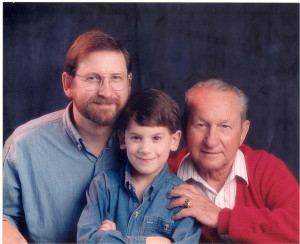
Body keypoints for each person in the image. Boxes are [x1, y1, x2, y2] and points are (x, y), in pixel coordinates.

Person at [3, 30, 132, 243]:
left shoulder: (148, 143)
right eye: (93, 78)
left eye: (116, 78)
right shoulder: (24, 145)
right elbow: (4, 214)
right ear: (67, 84)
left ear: (128, 82)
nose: (106, 92)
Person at [167, 78, 299, 243]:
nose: (211, 141)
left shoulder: (266, 169)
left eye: (224, 126)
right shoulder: (162, 170)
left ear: (243, 132)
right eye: (201, 125)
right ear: (185, 128)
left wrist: (221, 218)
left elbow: (296, 229)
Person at [77, 88, 202, 243]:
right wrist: (149, 242)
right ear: (123, 140)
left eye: (156, 138)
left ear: (174, 140)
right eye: (136, 137)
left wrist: (110, 238)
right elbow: (85, 239)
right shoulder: (103, 186)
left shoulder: (183, 199)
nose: (145, 150)